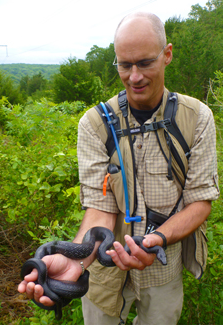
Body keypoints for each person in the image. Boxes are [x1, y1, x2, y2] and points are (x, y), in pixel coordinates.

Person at [18, 12, 219, 325]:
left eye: (145, 63)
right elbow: (100, 211)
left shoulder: (197, 118)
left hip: (163, 267)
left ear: (167, 55)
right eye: (125, 65)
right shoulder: (94, 124)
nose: (134, 76)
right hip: (101, 272)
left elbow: (200, 202)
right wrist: (76, 262)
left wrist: (158, 240)